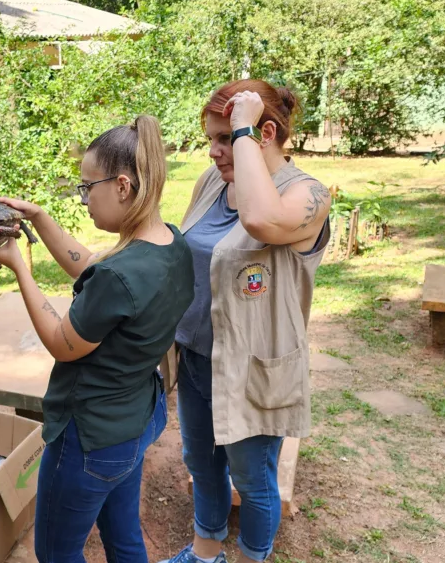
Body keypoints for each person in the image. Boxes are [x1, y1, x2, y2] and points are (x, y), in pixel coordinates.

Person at [0, 115, 195, 563]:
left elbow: (61, 340)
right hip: (133, 422)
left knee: (55, 551)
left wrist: (20, 267)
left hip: (89, 437)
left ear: (123, 186)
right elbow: (91, 265)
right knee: (124, 536)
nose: (85, 198)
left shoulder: (118, 275)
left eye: (88, 187)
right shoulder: (169, 244)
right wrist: (41, 218)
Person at [160, 81, 331, 563]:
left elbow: (260, 221)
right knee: (201, 463)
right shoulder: (215, 181)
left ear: (265, 131)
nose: (213, 151)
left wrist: (243, 128)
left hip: (254, 369)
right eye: (210, 138)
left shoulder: (307, 195)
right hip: (196, 358)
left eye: (223, 138)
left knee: (252, 479)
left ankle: (253, 557)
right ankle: (206, 551)